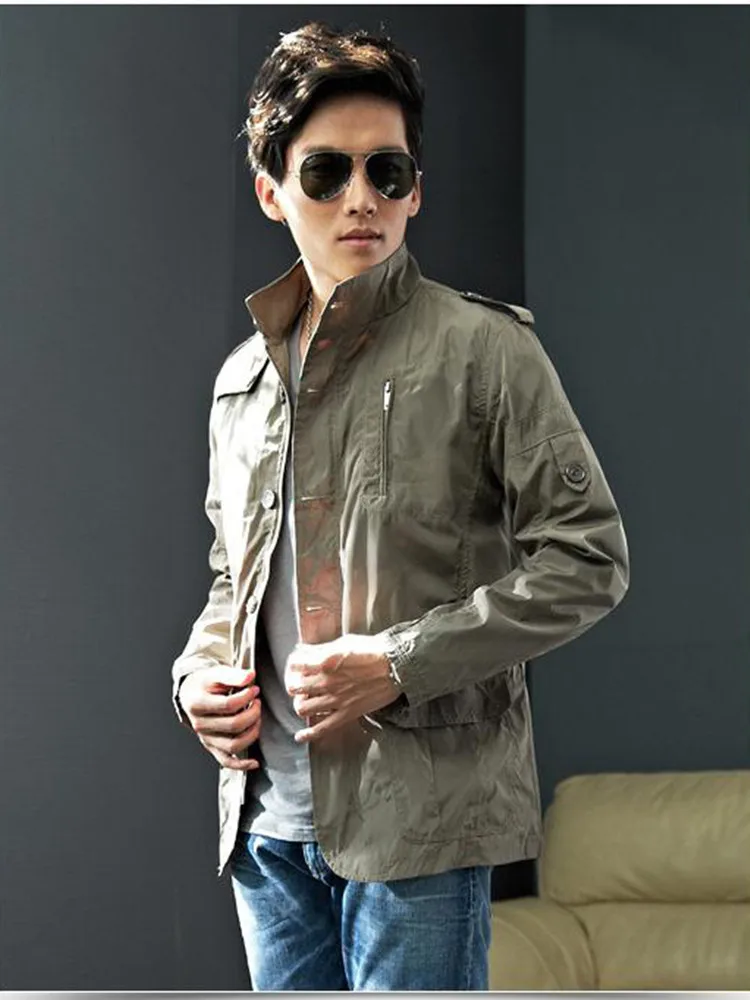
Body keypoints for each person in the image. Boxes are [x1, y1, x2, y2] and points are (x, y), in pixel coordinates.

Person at [171, 21, 629, 992]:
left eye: (387, 171)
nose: (362, 198)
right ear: (271, 191)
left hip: (422, 824)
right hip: (264, 831)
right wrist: (197, 676)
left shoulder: (488, 351)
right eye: (326, 172)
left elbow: (589, 561)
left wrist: (398, 663)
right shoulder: (241, 383)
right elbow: (230, 576)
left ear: (417, 188)